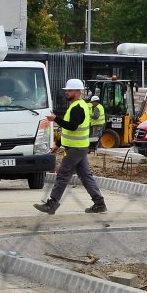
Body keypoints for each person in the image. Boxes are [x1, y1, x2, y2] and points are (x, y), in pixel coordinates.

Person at [34, 78, 107, 216]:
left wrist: (55, 119)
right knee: (85, 176)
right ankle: (99, 203)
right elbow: (68, 130)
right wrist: (58, 143)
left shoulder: (78, 108)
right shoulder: (76, 106)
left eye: (70, 90)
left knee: (62, 175)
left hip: (75, 149)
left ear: (78, 92)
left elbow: (72, 127)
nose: (66, 92)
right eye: (66, 90)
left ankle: (52, 204)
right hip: (78, 147)